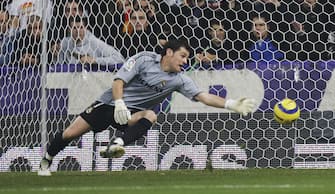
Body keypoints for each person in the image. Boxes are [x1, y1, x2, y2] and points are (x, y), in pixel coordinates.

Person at [37, 39, 256, 176]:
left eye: (187, 58)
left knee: (151, 114)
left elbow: (203, 97)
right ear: (168, 52)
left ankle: (117, 144)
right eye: (182, 56)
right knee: (69, 133)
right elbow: (118, 82)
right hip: (109, 103)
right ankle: (46, 161)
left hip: (132, 113)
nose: (185, 61)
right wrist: (120, 103)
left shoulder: (179, 79)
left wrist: (231, 104)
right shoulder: (143, 59)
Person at [52, 16, 125, 65]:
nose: (78, 31)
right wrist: (55, 55)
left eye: (80, 27)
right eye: (74, 28)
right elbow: (58, 64)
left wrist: (94, 60)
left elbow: (119, 58)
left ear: (85, 28)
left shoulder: (94, 42)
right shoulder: (65, 43)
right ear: (69, 29)